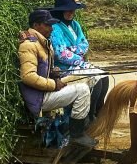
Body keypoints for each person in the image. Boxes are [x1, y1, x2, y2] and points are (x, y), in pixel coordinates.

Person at [18, 8, 96, 148]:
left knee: (85, 78)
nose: (51, 28)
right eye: (47, 25)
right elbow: (28, 77)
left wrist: (53, 72)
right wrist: (53, 84)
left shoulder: (41, 42)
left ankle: (82, 123)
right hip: (39, 98)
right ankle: (76, 134)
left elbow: (40, 69)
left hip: (45, 90)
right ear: (36, 26)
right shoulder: (29, 45)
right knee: (82, 90)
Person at [49, 0, 109, 121]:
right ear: (60, 11)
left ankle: (98, 111)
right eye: (67, 10)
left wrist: (72, 50)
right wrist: (77, 56)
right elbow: (60, 54)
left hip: (77, 63)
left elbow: (84, 44)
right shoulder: (54, 28)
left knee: (104, 76)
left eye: (72, 10)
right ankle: (88, 116)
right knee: (95, 79)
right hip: (64, 68)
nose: (70, 13)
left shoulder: (75, 25)